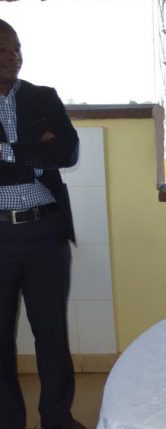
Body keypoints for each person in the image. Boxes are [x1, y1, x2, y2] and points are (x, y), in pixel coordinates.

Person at [0, 20, 84, 429]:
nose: (13, 56)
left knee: (52, 334)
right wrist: (35, 156)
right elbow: (46, 157)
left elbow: (67, 152)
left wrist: (8, 155)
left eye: (16, 48)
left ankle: (57, 418)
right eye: (3, 49)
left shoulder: (41, 96)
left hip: (46, 233)